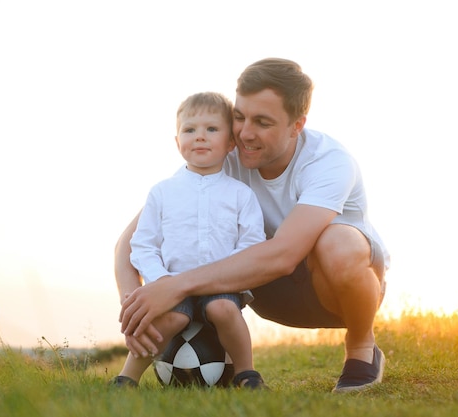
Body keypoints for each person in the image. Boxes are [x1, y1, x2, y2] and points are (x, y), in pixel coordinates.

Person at [116, 58, 390, 393]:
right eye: (240, 117)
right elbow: (127, 245)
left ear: (296, 125)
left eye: (262, 122)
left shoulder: (329, 162)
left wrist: (175, 286)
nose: (245, 133)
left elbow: (284, 255)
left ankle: (362, 348)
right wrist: (137, 309)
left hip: (337, 292)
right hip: (265, 292)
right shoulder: (223, 158)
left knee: (337, 243)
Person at [112, 92, 267, 389]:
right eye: (189, 130)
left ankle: (247, 374)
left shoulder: (240, 194)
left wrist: (231, 278)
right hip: (170, 284)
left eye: (211, 129)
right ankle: (126, 378)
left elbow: (252, 244)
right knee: (169, 320)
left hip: (222, 286)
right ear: (177, 142)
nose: (200, 137)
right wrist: (160, 281)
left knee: (223, 310)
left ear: (230, 143)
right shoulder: (162, 192)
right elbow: (143, 244)